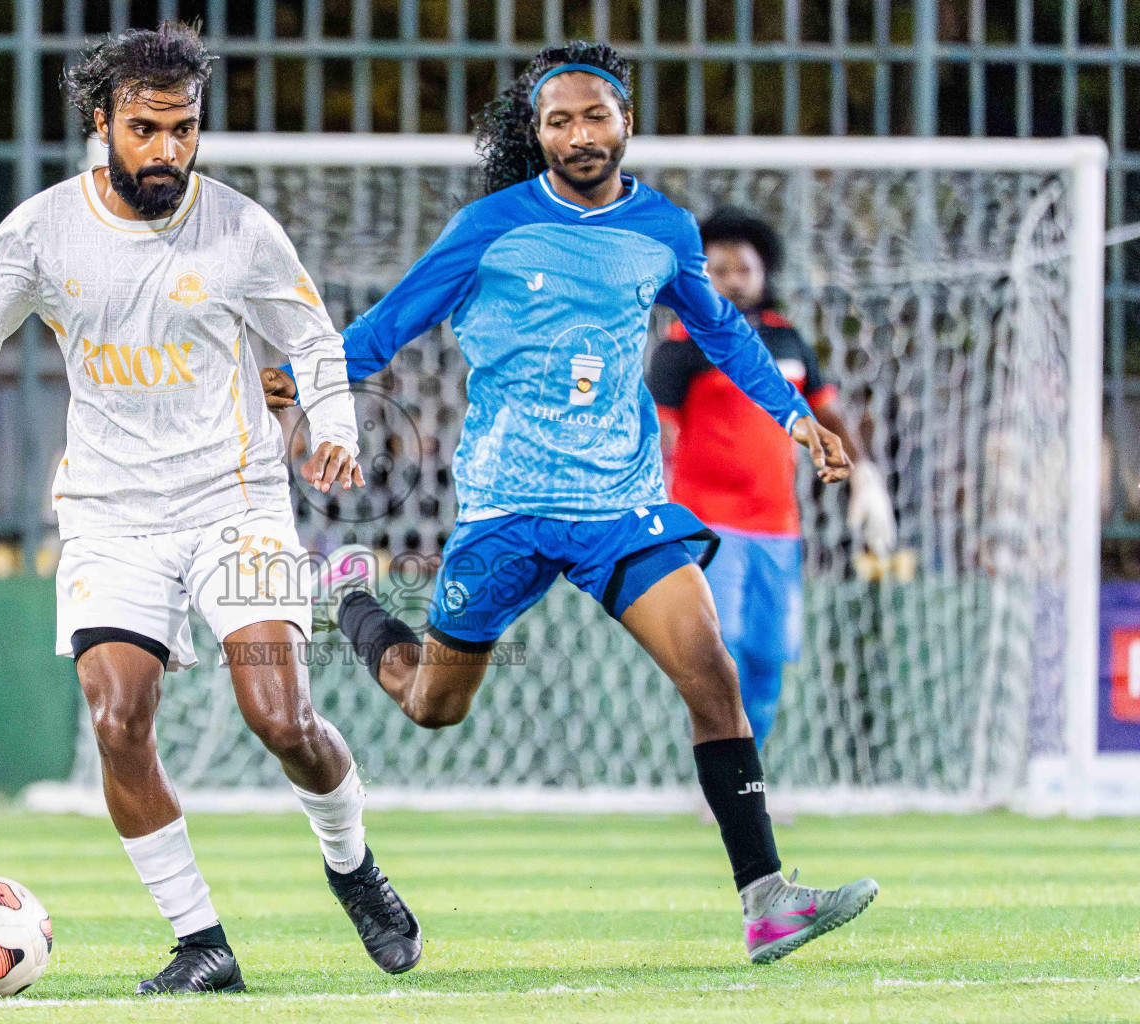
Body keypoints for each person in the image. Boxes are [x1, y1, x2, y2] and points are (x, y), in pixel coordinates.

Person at [263, 41, 877, 965]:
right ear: (537, 132)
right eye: (559, 121)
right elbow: (386, 328)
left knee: (711, 673)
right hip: (506, 506)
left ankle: (767, 899)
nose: (579, 134)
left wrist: (796, 417)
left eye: (595, 116)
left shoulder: (665, 229)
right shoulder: (489, 227)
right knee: (433, 705)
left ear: (625, 122)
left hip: (622, 503)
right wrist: (301, 381)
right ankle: (350, 602)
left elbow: (723, 331)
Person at [0, 24, 420, 996]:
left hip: (238, 499)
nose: (169, 151)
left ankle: (351, 861)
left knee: (281, 714)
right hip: (110, 510)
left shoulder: (239, 228)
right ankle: (202, 941)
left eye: (185, 130)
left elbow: (311, 339)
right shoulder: (46, 229)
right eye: (147, 129)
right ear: (102, 123)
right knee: (115, 716)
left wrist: (333, 424)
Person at [647, 209, 896, 747]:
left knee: (767, 656)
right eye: (719, 268)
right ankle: (721, 774)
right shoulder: (682, 344)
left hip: (778, 527)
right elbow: (660, 431)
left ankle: (748, 773)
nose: (733, 279)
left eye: (744, 268)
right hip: (708, 523)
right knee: (721, 649)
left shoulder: (789, 342)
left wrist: (864, 477)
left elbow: (827, 417)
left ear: (764, 274)